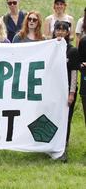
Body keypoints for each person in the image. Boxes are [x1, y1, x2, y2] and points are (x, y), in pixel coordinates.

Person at [53, 21, 79, 162]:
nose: (60, 32)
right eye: (58, 29)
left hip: (67, 90)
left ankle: (64, 145)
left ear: (68, 32)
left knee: (66, 119)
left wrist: (71, 93)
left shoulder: (72, 51)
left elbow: (74, 73)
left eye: (63, 30)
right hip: (53, 90)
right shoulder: (50, 48)